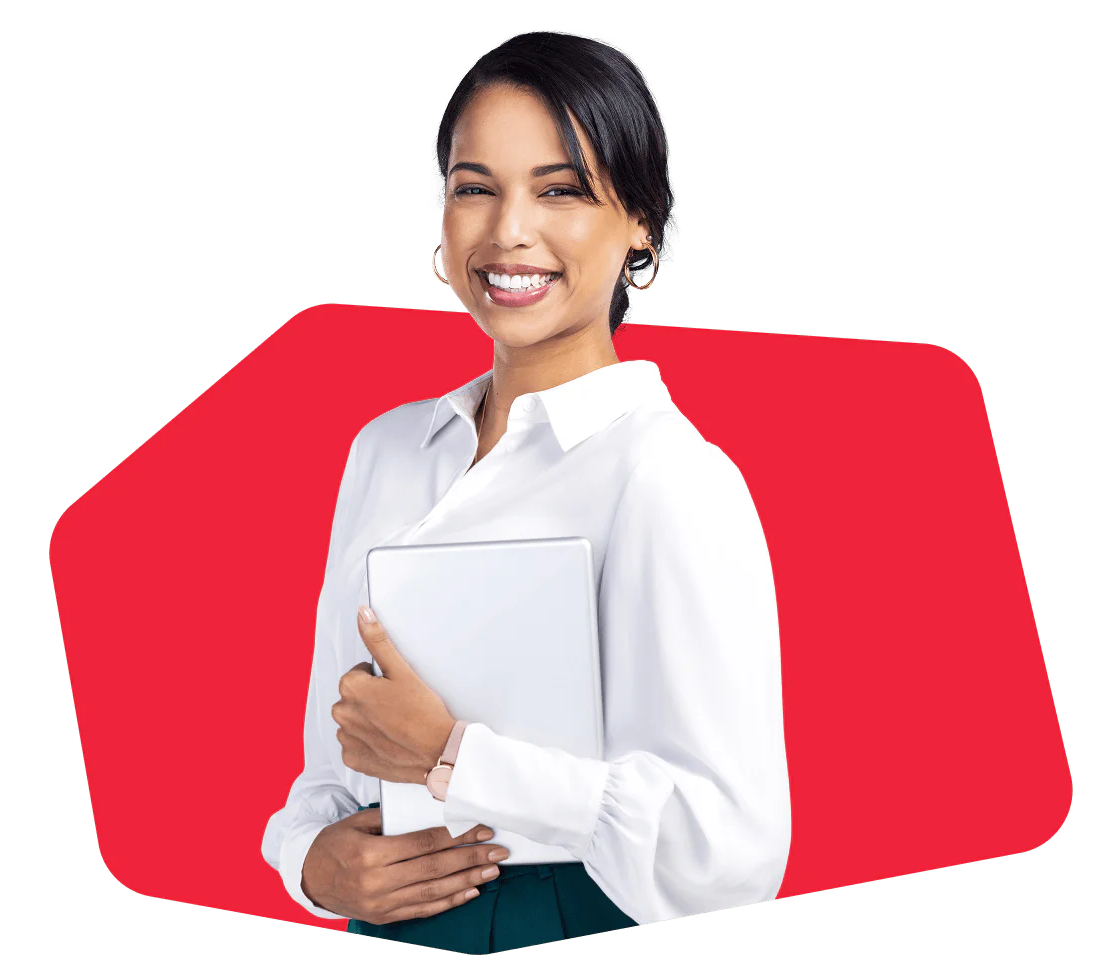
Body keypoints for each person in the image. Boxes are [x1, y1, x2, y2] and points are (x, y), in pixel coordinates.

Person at [261, 27, 791, 955]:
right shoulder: (387, 451)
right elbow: (333, 762)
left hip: (577, 922)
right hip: (382, 927)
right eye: (476, 188)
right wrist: (309, 862)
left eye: (561, 190)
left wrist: (454, 756)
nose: (509, 229)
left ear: (642, 227)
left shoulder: (669, 479)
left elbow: (734, 847)